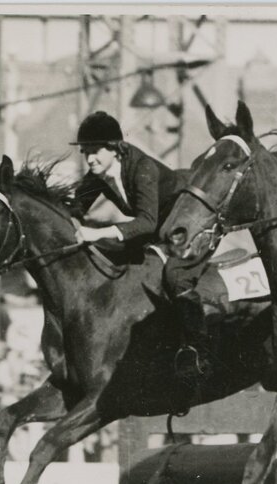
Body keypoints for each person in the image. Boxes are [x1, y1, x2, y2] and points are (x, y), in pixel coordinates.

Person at [70, 111, 210, 378]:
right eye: (85, 151)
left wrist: (97, 233)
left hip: (190, 216)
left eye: (95, 150)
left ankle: (197, 348)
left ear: (114, 149)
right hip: (161, 225)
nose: (89, 158)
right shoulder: (97, 174)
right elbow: (75, 208)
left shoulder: (142, 167)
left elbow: (146, 222)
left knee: (176, 276)